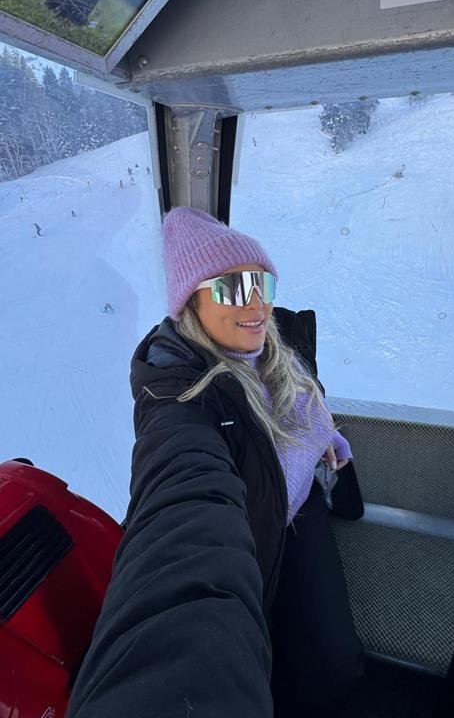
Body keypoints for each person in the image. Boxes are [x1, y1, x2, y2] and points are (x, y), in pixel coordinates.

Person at [67, 207, 364, 718]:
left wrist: (323, 436)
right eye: (231, 287)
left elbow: (305, 409)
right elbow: (185, 502)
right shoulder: (179, 397)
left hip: (303, 511)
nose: (256, 304)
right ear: (191, 302)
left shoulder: (276, 352)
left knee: (338, 669)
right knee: (323, 676)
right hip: (256, 544)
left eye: (262, 283)